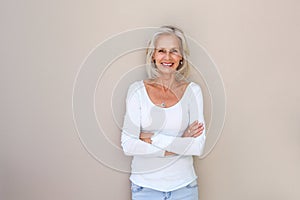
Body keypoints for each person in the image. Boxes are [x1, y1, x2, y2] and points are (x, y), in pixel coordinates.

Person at [121, 25, 206, 200]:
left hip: (185, 187)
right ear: (153, 55)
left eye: (174, 51)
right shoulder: (137, 90)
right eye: (161, 51)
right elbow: (128, 145)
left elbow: (197, 146)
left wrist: (153, 139)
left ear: (181, 56)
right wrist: (181, 142)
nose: (167, 57)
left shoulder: (193, 92)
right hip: (145, 189)